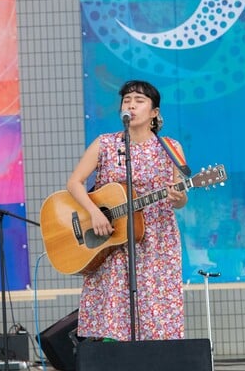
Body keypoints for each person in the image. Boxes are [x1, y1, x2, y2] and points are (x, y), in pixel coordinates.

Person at [66, 79, 187, 341]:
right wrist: (95, 212)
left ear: (154, 112)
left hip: (157, 240)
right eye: (127, 100)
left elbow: (179, 199)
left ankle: (155, 359)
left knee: (157, 312)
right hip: (113, 238)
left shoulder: (171, 148)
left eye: (139, 101)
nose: (131, 105)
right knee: (114, 312)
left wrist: (178, 197)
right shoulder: (106, 144)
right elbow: (74, 183)